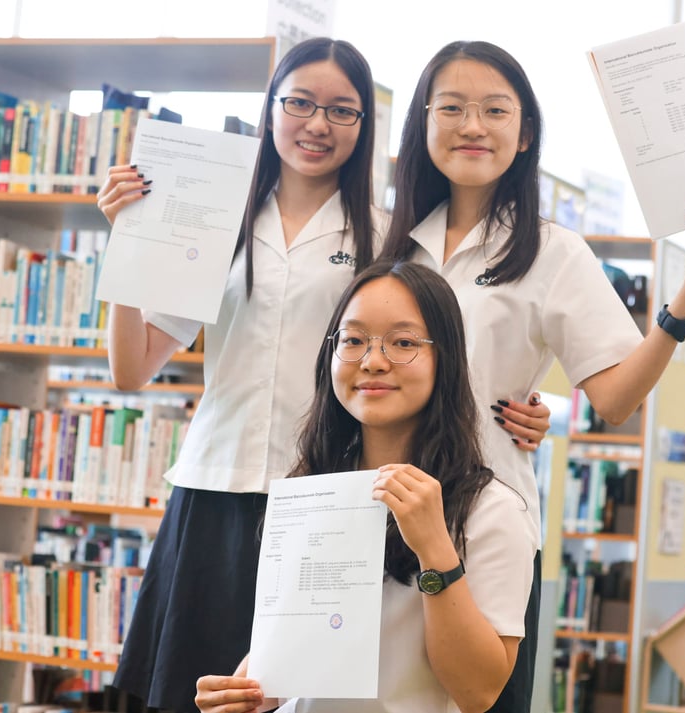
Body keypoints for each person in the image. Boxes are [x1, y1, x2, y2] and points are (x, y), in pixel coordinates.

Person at [96, 37, 547, 712]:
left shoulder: (386, 236)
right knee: (208, 691)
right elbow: (132, 368)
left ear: (367, 128)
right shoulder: (215, 221)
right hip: (215, 486)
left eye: (343, 110)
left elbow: (439, 339)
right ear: (270, 108)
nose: (317, 124)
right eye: (299, 102)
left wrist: (522, 408)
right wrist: (129, 243)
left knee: (319, 688)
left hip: (327, 499)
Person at [377, 40, 685, 712]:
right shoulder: (384, 239)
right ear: (422, 123)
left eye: (495, 109)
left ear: (525, 134)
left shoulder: (552, 251)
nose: (472, 126)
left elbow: (616, 397)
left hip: (480, 524)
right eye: (451, 107)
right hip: (372, 514)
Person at [195, 260, 536, 713]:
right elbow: (287, 670)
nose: (374, 362)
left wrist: (435, 547)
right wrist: (245, 694)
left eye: (403, 343)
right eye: (354, 341)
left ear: (445, 360)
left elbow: (477, 692)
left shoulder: (492, 511)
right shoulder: (311, 491)